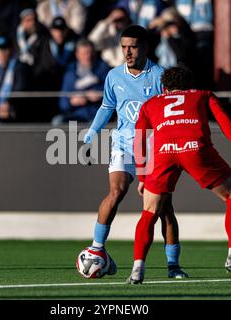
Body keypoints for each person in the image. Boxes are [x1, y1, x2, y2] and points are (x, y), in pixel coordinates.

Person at [128, 65, 231, 283]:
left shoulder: (151, 103)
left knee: (149, 212)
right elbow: (223, 118)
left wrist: (142, 177)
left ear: (165, 88)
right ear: (190, 85)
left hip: (163, 154)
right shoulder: (202, 94)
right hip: (195, 149)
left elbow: (139, 139)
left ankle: (137, 268)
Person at [83, 25, 188, 279]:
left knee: (164, 208)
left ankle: (173, 265)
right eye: (124, 47)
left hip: (153, 148)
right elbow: (107, 108)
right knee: (116, 191)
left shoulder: (160, 76)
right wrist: (89, 137)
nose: (127, 52)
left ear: (145, 48)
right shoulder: (113, 76)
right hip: (123, 144)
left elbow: (173, 112)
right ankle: (97, 248)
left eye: (133, 47)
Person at [52, 39, 110, 124]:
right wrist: (71, 101)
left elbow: (114, 94)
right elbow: (63, 103)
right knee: (57, 121)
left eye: (90, 53)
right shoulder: (70, 73)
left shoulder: (104, 70)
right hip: (76, 115)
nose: (88, 56)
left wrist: (101, 95)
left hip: (97, 115)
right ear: (77, 55)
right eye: (84, 53)